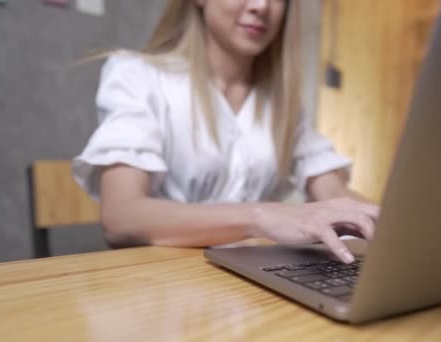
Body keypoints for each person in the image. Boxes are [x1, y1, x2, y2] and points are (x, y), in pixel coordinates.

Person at [73, 0, 380, 264]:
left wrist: (380, 220)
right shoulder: (137, 76)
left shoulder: (281, 105)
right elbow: (122, 217)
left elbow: (332, 193)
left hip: (249, 287)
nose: (262, 6)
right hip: (160, 290)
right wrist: (264, 217)